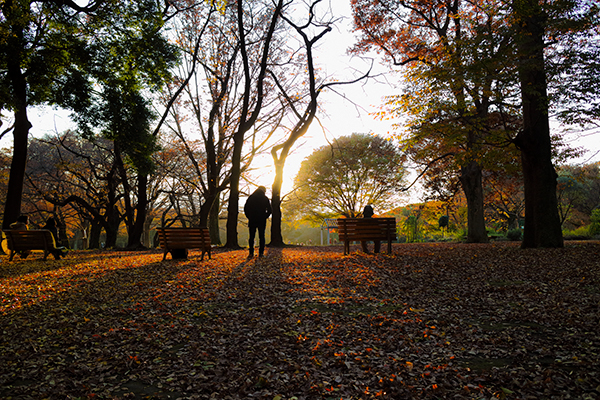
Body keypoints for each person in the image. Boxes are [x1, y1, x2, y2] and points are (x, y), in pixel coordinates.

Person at [244, 186, 272, 258]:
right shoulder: (265, 198)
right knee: (261, 237)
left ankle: (251, 253)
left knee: (251, 237)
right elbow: (270, 210)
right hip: (261, 220)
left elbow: (246, 208)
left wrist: (249, 216)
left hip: (252, 219)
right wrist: (265, 216)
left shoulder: (251, 197)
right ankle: (261, 253)